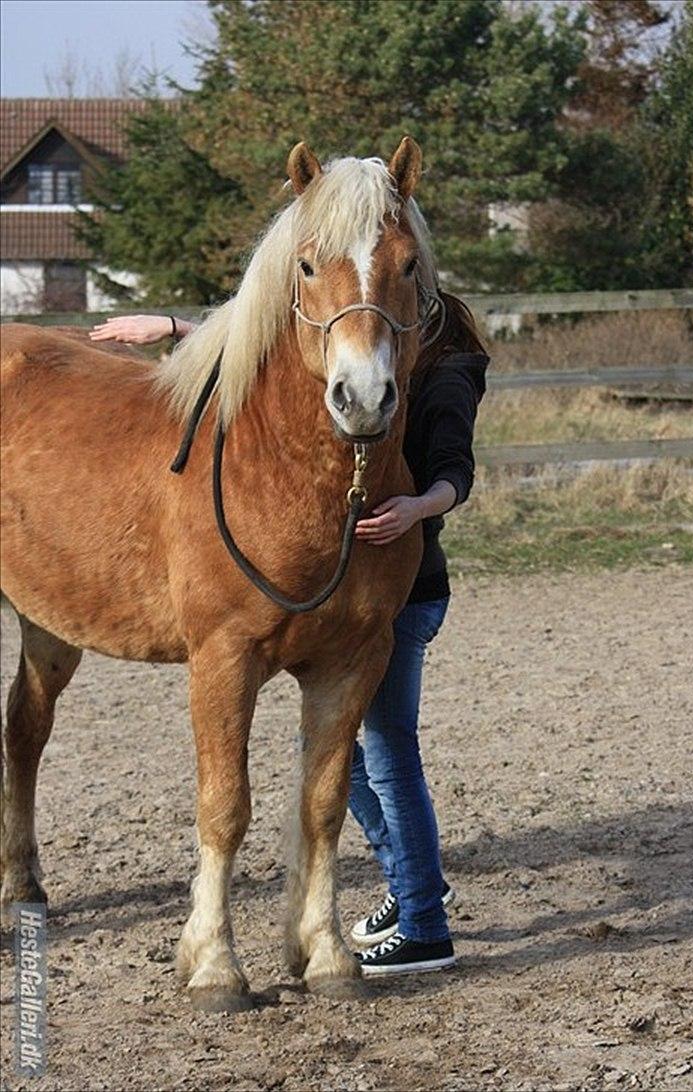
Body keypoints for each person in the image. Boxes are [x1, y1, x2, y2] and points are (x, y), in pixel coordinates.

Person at [90, 292, 488, 976]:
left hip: (400, 592)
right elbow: (288, 338)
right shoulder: (375, 356)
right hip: (354, 587)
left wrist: (418, 507)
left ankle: (425, 920)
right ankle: (412, 880)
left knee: (387, 751)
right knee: (344, 759)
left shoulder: (444, 375)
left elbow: (456, 468)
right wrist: (179, 328)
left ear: (418, 320)